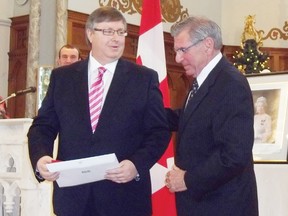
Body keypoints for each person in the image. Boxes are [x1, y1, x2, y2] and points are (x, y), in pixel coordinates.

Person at [27, 6, 170, 216]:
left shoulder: (143, 78)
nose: (117, 38)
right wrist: (41, 158)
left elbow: (159, 131)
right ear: (90, 34)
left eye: (121, 32)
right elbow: (43, 126)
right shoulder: (63, 78)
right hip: (73, 200)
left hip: (123, 198)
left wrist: (135, 165)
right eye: (108, 31)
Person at [165, 16, 258, 216]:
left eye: (183, 50)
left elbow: (234, 155)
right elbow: (190, 118)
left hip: (222, 206)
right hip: (203, 204)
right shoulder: (205, 80)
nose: (178, 59)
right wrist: (147, 112)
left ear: (207, 45)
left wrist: (188, 180)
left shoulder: (231, 84)